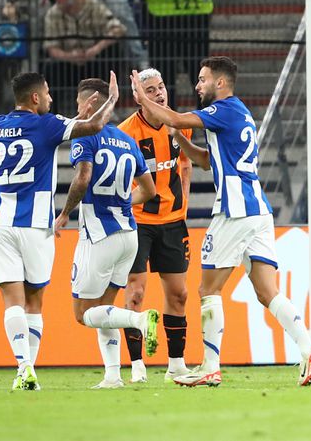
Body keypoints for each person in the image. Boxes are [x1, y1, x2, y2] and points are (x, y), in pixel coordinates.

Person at [130, 57, 311, 387]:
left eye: (202, 79)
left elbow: (173, 117)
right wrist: (181, 140)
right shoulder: (239, 113)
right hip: (258, 211)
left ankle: (210, 366)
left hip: (234, 211)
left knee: (208, 289)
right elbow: (207, 161)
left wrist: (141, 94)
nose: (197, 86)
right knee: (267, 291)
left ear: (220, 83)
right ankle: (309, 348)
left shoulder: (222, 110)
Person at [0, 71, 117, 391]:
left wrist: (76, 118)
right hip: (35, 227)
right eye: (46, 93)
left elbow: (54, 129)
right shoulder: (47, 124)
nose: (50, 98)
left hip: (0, 224)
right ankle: (27, 369)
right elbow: (95, 126)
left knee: (12, 301)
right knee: (34, 302)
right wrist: (112, 99)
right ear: (35, 98)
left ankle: (24, 369)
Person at [54, 78, 160, 389]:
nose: (77, 110)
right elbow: (149, 190)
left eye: (79, 104)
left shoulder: (87, 136)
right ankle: (113, 375)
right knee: (105, 309)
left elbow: (83, 177)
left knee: (83, 314)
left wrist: (65, 212)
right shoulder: (127, 140)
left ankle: (139, 319)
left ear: (89, 104)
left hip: (99, 236)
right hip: (129, 234)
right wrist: (122, 200)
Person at [117, 68, 193, 384]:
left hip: (173, 222)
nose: (160, 93)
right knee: (135, 292)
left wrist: (183, 201)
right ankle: (137, 366)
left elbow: (185, 163)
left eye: (161, 87)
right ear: (138, 97)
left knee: (179, 294)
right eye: (151, 90)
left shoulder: (180, 123)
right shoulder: (125, 133)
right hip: (138, 223)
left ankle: (176, 365)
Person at [130, 0, 213, 110]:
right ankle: (206, 120)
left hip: (161, 19)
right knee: (200, 75)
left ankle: (167, 122)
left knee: (163, 79)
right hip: (196, 17)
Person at [42, 0, 127, 111]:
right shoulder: (53, 13)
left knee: (114, 51)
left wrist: (95, 49)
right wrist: (70, 56)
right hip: (68, 63)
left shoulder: (94, 6)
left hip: (94, 61)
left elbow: (118, 29)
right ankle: (52, 113)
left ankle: (108, 108)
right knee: (50, 68)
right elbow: (51, 48)